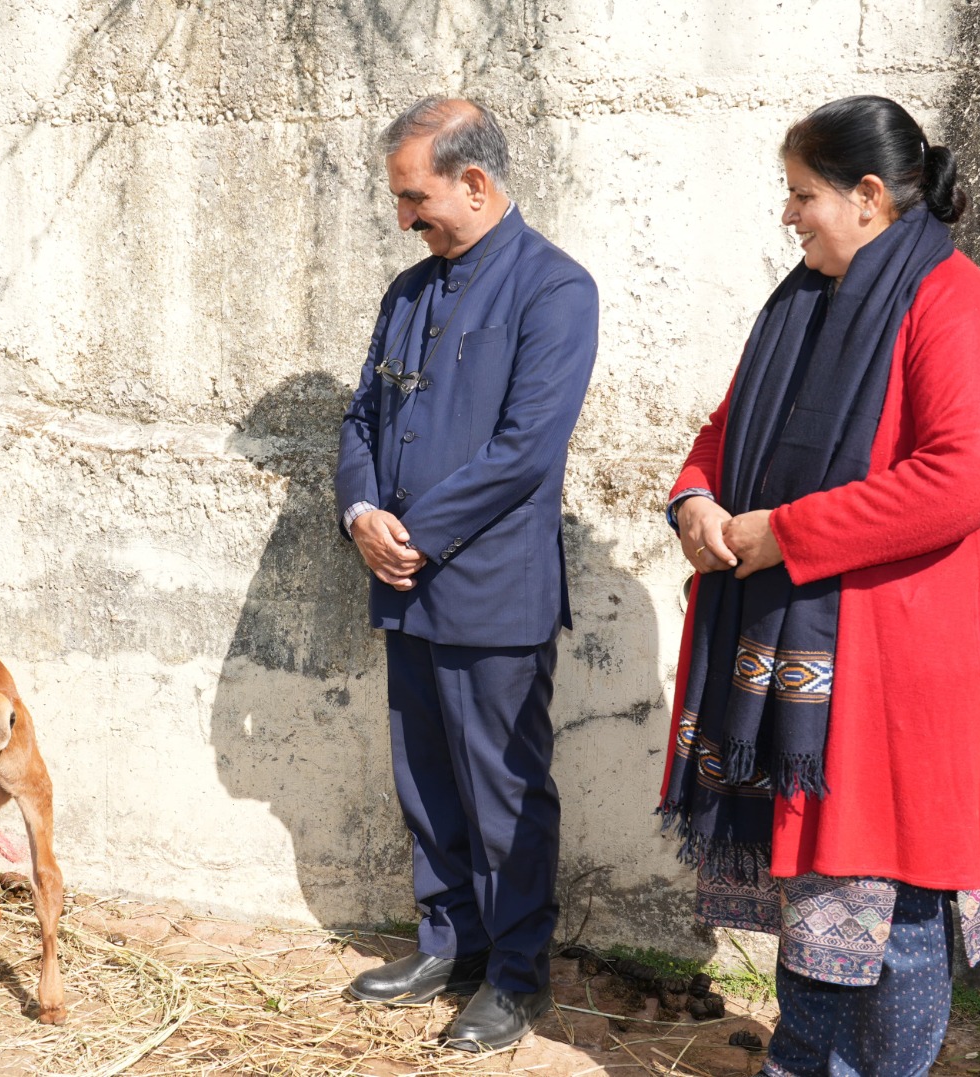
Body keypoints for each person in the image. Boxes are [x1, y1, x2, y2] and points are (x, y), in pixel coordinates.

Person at [658, 95, 980, 1076]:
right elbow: (725, 429)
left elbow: (963, 474)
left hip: (893, 672)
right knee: (815, 902)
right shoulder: (800, 306)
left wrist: (786, 533)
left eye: (802, 195)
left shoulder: (957, 307)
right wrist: (694, 498)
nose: (789, 215)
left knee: (893, 911)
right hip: (806, 666)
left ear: (868, 195)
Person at [334, 96, 598, 1052]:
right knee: (426, 779)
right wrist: (362, 514)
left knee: (503, 790)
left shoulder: (555, 289)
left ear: (475, 183)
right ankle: (449, 944)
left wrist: (412, 533)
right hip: (403, 581)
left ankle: (518, 976)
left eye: (416, 199)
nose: (405, 218)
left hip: (491, 591)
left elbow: (526, 450)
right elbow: (362, 417)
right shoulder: (408, 292)